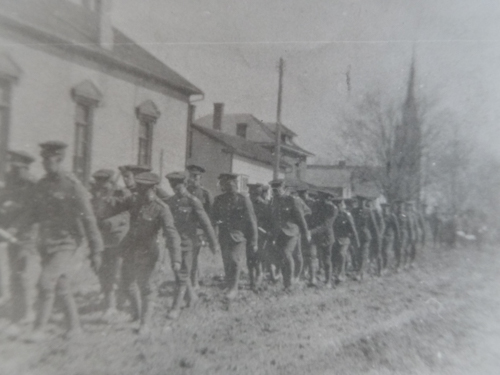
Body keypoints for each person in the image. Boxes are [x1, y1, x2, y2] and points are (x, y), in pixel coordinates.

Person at [12, 141, 104, 341]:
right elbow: (31, 213)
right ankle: (75, 328)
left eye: (49, 159)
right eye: (44, 159)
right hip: (46, 243)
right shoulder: (42, 185)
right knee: (61, 285)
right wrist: (17, 229)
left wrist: (96, 251)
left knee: (45, 282)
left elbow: (89, 219)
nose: (45, 163)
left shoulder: (73, 186)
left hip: (67, 243)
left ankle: (39, 329)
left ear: (60, 159)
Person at [103, 172, 181, 335]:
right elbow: (115, 205)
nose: (138, 191)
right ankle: (138, 315)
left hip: (148, 251)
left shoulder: (161, 208)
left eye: (143, 189)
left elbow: (172, 234)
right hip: (130, 248)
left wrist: (176, 259)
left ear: (153, 188)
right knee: (126, 283)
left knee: (146, 287)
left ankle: (145, 323)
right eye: (138, 188)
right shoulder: (133, 201)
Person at [165, 172, 219, 319]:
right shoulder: (170, 201)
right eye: (172, 185)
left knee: (183, 273)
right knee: (178, 272)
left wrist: (214, 243)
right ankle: (192, 298)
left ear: (184, 184)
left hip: (189, 242)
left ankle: (175, 307)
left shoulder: (193, 201)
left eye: (178, 185)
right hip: (174, 244)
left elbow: (206, 224)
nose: (175, 188)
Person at [0, 150, 40, 332]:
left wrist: (14, 225)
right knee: (14, 274)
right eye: (12, 167)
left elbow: (32, 212)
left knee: (23, 273)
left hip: (27, 235)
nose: (13, 171)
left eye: (17, 168)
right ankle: (17, 314)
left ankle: (28, 313)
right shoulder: (9, 183)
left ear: (26, 167)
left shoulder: (32, 186)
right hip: (10, 235)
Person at [90, 169, 130, 319]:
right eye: (99, 184)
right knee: (102, 272)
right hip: (101, 239)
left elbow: (127, 214)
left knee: (116, 272)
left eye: (105, 185)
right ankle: (110, 304)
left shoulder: (121, 194)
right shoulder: (95, 195)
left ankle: (121, 303)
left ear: (111, 182)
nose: (101, 189)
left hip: (117, 238)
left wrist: (111, 222)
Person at [212, 173, 257, 299]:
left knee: (235, 261)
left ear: (236, 184)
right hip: (224, 235)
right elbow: (213, 218)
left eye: (231, 184)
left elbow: (252, 220)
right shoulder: (219, 200)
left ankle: (234, 288)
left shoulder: (243, 199)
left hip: (239, 236)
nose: (229, 187)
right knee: (227, 261)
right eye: (225, 185)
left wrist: (254, 240)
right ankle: (229, 284)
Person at [267, 179, 310, 290]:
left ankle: (289, 283)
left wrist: (305, 232)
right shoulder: (274, 200)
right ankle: (286, 281)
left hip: (292, 232)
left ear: (285, 189)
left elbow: (301, 218)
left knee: (286, 254)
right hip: (279, 232)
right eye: (274, 190)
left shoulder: (293, 200)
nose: (275, 192)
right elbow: (272, 217)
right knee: (282, 256)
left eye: (278, 189)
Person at [186, 164, 213, 290]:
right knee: (188, 255)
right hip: (186, 228)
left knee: (194, 255)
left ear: (200, 178)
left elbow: (210, 216)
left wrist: (208, 235)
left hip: (198, 230)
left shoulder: (205, 194)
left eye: (196, 177)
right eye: (192, 176)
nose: (193, 179)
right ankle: (191, 279)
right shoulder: (185, 191)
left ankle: (194, 281)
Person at [309, 190, 338, 287]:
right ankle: (312, 279)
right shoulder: (315, 205)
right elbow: (311, 218)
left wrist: (311, 231)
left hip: (326, 236)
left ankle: (328, 281)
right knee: (312, 256)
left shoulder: (332, 209)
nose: (319, 199)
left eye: (322, 197)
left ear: (328, 198)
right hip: (315, 235)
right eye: (319, 197)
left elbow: (326, 225)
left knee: (326, 259)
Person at [247, 183, 270, 289]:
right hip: (249, 234)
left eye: (253, 194)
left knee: (257, 258)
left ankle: (259, 277)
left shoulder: (264, 205)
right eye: (250, 193)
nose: (251, 195)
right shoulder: (247, 203)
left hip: (261, 235)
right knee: (250, 258)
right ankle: (252, 280)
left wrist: (266, 231)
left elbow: (269, 221)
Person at [332, 197, 359, 283]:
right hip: (335, 239)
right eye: (335, 205)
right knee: (335, 257)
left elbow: (353, 229)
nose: (337, 207)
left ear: (341, 205)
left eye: (339, 205)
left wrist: (356, 241)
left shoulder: (346, 215)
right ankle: (336, 273)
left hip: (345, 239)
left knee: (341, 254)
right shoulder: (333, 215)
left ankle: (341, 274)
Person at [351, 195, 377, 280]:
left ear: (365, 202)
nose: (361, 203)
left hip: (365, 236)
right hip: (356, 235)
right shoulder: (353, 211)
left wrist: (376, 237)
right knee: (357, 254)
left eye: (362, 201)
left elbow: (373, 225)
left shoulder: (369, 211)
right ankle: (360, 271)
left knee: (363, 254)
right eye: (359, 201)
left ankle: (359, 273)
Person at [380, 203, 400, 273]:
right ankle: (381, 265)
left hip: (389, 236)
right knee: (381, 252)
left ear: (388, 209)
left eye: (386, 208)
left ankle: (385, 267)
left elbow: (396, 228)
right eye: (383, 208)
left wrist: (397, 238)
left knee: (386, 252)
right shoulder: (380, 215)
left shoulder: (392, 217)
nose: (384, 210)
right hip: (381, 236)